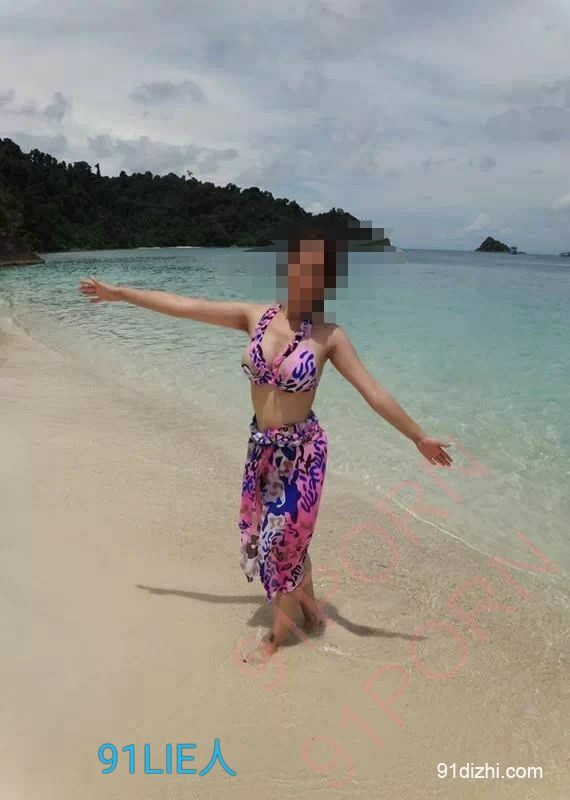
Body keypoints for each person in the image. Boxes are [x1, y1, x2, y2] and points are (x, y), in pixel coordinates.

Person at [78, 228, 453, 665]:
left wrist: (417, 436)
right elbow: (185, 305)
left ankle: (276, 638)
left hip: (303, 454)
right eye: (301, 267)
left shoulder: (329, 336)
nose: (306, 278)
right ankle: (310, 609)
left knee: (279, 542)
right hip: (263, 451)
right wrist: (120, 294)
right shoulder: (253, 316)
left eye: (318, 273)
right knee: (280, 539)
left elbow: (374, 393)